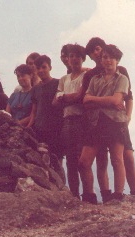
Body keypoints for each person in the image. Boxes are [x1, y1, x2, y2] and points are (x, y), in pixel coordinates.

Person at [81, 37, 135, 202]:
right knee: (85, 161)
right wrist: (108, 101)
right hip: (96, 122)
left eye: (110, 57)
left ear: (117, 60)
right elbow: (86, 101)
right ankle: (91, 196)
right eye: (104, 57)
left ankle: (119, 195)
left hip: (115, 122)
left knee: (117, 159)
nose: (106, 60)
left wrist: (96, 100)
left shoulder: (122, 78)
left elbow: (118, 100)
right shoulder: (94, 78)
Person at [53, 44, 87, 199]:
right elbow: (55, 102)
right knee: (71, 161)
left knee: (83, 160)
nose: (74, 59)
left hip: (82, 121)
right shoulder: (64, 79)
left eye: (77, 56)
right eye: (71, 56)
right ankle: (75, 196)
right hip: (67, 122)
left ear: (83, 58)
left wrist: (64, 98)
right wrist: (70, 98)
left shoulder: (86, 75)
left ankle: (88, 195)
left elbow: (81, 97)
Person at [28, 55, 64, 161]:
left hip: (56, 130)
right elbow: (34, 112)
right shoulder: (35, 89)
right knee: (42, 163)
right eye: (38, 68)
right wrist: (29, 127)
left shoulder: (58, 83)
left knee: (57, 162)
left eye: (44, 67)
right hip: (39, 130)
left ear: (50, 67)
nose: (41, 70)